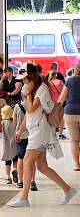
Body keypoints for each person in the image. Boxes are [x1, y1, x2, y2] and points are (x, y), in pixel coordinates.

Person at [7, 68, 77, 207]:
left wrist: (27, 94)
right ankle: (68, 190)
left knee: (27, 162)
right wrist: (21, 129)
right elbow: (29, 113)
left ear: (31, 79)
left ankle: (24, 197)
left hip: (39, 131)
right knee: (42, 166)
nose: (23, 82)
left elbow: (32, 108)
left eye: (25, 79)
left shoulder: (41, 90)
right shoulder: (34, 90)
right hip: (35, 130)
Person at [56, 62, 80, 171]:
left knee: (74, 141)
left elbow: (61, 99)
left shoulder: (69, 81)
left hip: (70, 113)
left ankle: (76, 164)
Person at [0, 105, 17, 184]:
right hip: (15, 145)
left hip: (6, 146)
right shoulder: (14, 122)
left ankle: (8, 177)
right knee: (15, 160)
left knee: (7, 162)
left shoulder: (2, 122)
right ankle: (15, 169)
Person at [45, 69, 65, 138]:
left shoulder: (48, 83)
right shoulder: (60, 82)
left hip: (51, 102)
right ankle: (61, 134)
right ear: (55, 75)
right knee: (60, 118)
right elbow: (64, 92)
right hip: (60, 102)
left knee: (52, 117)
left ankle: (53, 133)